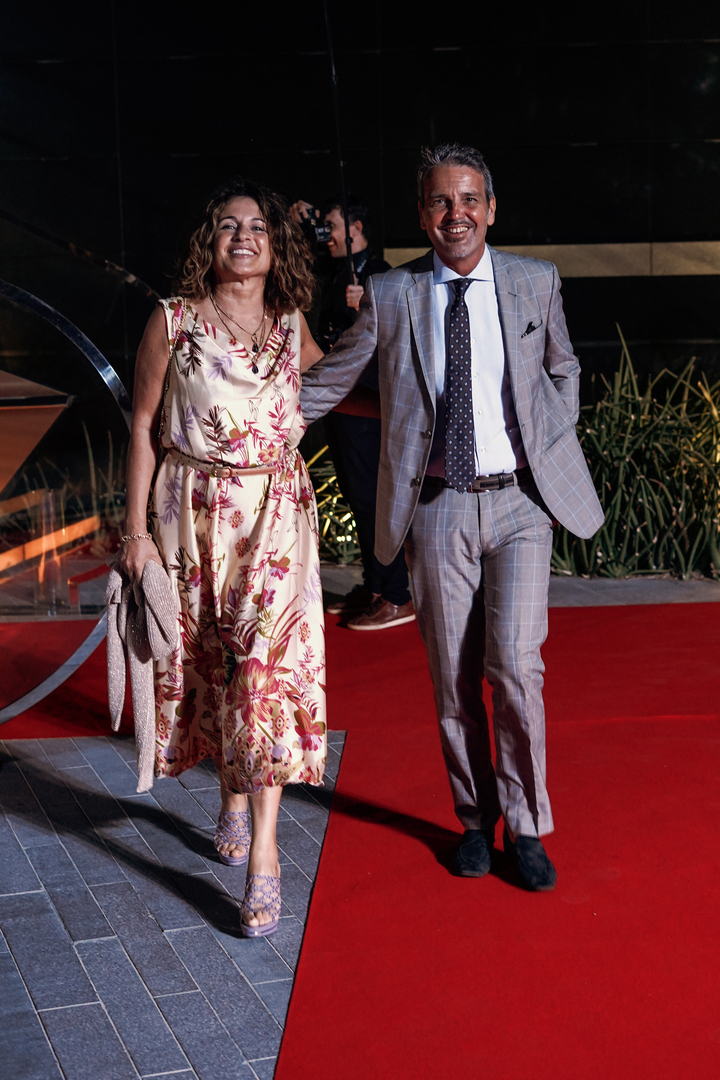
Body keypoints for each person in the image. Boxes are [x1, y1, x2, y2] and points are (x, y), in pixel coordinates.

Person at [299, 144, 604, 891]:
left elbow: (563, 366)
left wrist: (549, 443)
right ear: (422, 215)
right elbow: (329, 381)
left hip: (521, 503)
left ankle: (526, 827)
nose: (455, 214)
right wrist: (247, 427)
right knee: (452, 677)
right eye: (440, 201)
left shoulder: (534, 281)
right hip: (436, 507)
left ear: (491, 209)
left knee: (517, 667)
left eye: (469, 200)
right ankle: (474, 820)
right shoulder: (393, 294)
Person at [119, 178, 326, 936]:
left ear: (277, 246)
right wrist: (135, 533)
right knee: (214, 664)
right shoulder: (172, 321)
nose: (244, 237)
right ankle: (230, 793)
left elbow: (328, 382)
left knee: (265, 669)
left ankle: (265, 853)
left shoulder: (292, 323)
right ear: (210, 242)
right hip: (194, 514)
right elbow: (143, 425)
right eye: (229, 226)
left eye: (258, 227)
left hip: (276, 512)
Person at [291, 194, 415, 629]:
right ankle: (375, 585)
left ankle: (396, 594)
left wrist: (365, 305)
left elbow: (399, 338)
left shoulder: (381, 275)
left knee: (372, 497)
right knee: (355, 494)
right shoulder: (331, 272)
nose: (327, 235)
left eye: (333, 226)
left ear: (356, 229)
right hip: (338, 401)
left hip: (365, 403)